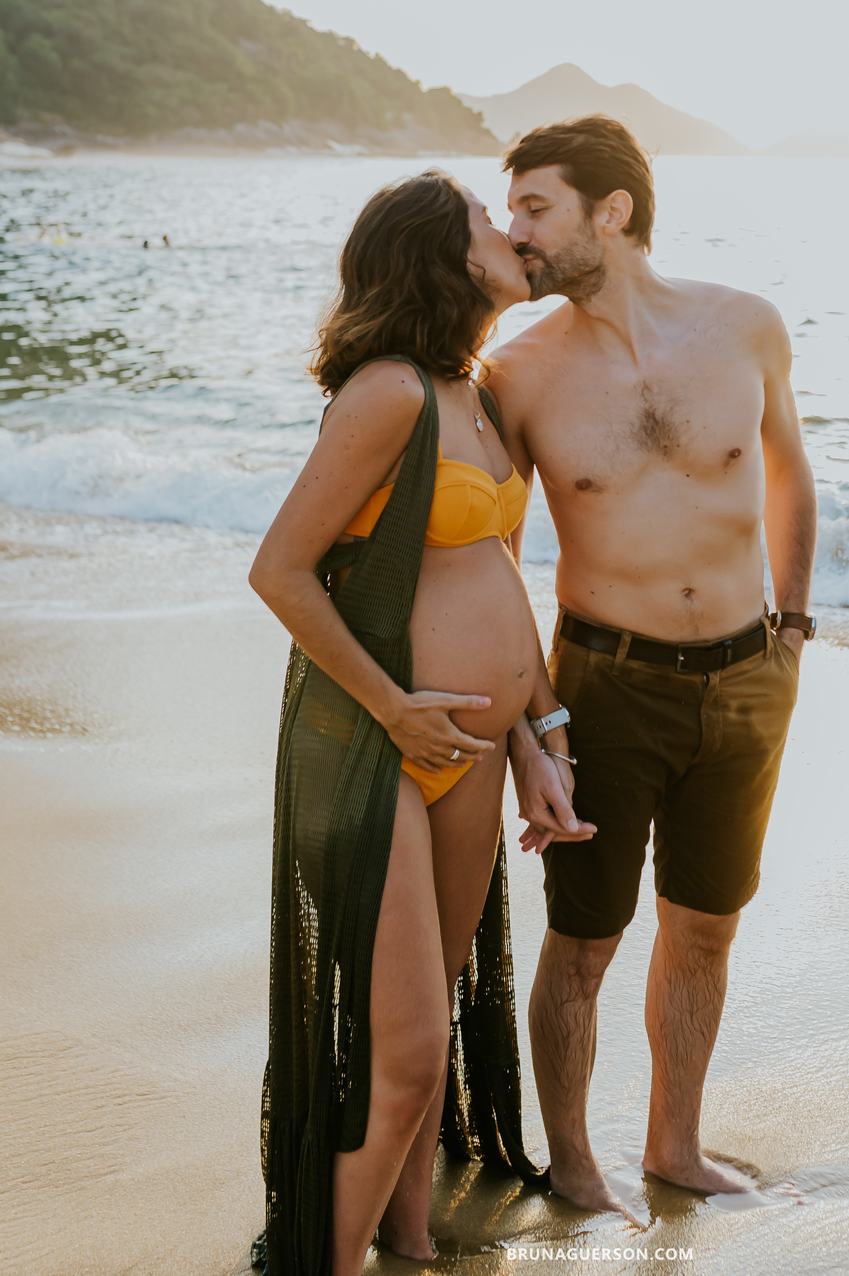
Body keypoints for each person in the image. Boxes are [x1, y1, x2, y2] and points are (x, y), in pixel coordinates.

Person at [249, 171, 589, 1276]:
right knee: (402, 1054)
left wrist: (539, 732)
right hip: (373, 751)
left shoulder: (471, 391)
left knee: (428, 1027)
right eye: (489, 219)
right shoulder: (388, 391)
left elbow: (495, 574)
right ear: (443, 255)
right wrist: (393, 708)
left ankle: (408, 1243)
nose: (510, 232)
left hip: (473, 751)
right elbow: (280, 570)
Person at [486, 115, 818, 1214]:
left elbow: (789, 476)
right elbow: (495, 560)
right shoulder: (518, 373)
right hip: (603, 685)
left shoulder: (746, 326)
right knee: (584, 940)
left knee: (706, 928)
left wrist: (793, 632)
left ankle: (676, 1146)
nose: (515, 231)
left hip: (748, 678)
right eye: (511, 209)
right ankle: (576, 1164)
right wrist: (536, 722)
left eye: (536, 206)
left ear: (612, 211)